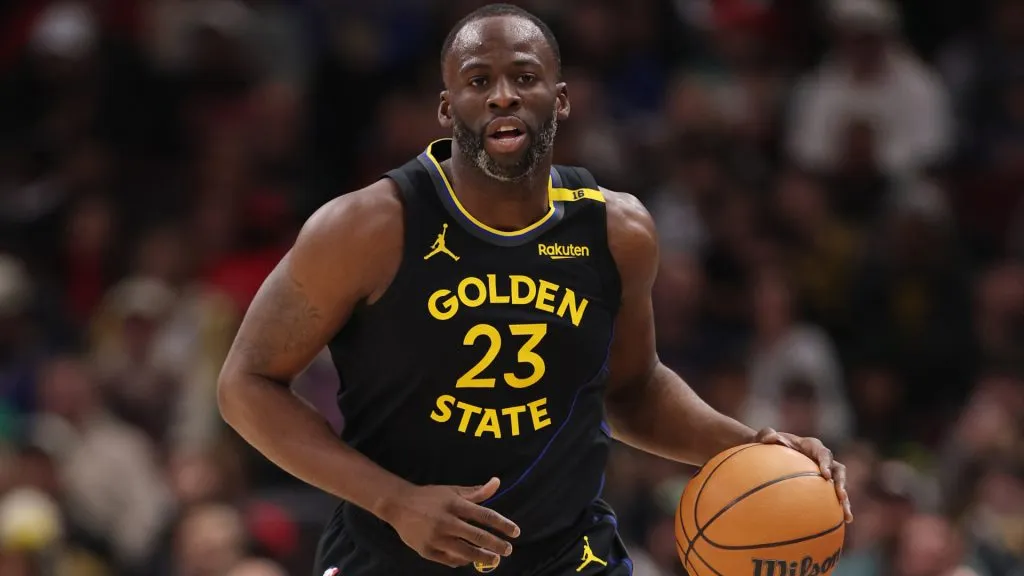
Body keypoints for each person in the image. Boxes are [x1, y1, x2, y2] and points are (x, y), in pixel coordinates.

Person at [216, 4, 853, 575]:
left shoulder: (617, 230)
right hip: (393, 551)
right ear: (446, 109)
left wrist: (748, 445)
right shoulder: (368, 226)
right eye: (477, 80)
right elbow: (245, 383)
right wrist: (394, 499)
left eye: (524, 77)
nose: (502, 96)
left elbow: (631, 390)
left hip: (564, 554)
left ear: (562, 97)